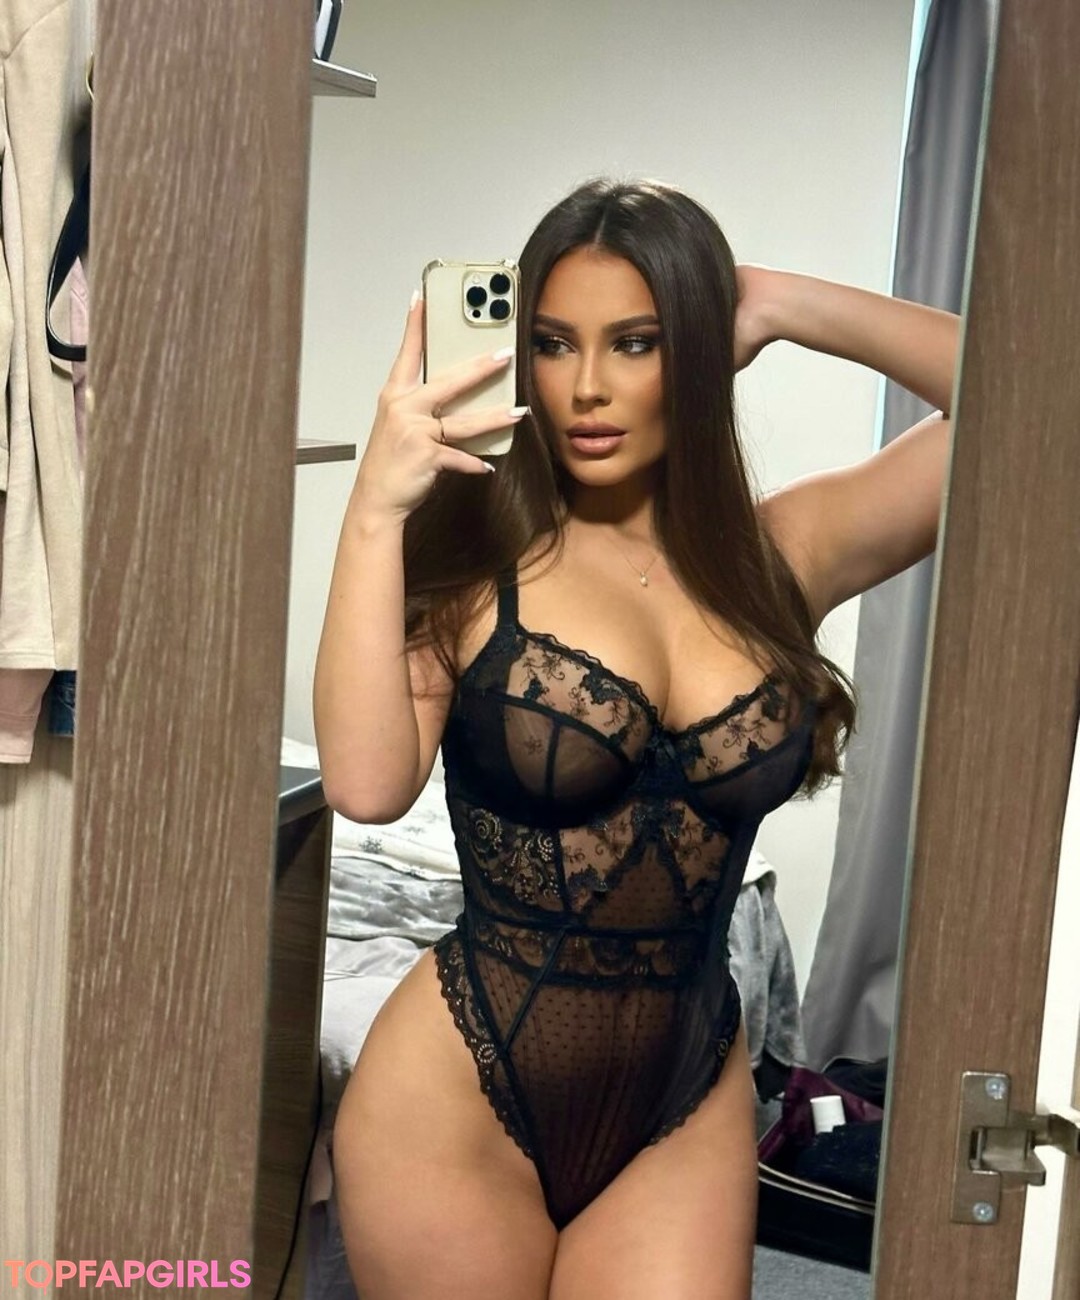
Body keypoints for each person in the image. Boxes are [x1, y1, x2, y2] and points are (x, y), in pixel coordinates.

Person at [314, 177, 958, 1300]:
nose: (588, 388)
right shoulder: (474, 560)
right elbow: (368, 787)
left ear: (696, 355)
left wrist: (776, 301)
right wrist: (376, 506)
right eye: (554, 344)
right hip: (458, 1096)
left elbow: (1043, 398)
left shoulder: (781, 557)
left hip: (683, 1103)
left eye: (637, 342)